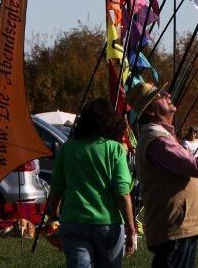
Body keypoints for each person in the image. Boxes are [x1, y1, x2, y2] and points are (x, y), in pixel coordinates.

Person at [128, 81, 198, 267]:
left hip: (179, 226)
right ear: (151, 111)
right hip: (175, 227)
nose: (168, 96)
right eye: (160, 96)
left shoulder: (162, 136)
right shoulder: (158, 141)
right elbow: (197, 168)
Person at [46, 98, 136, 268]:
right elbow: (122, 192)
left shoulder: (68, 148)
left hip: (73, 222)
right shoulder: (115, 149)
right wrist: (131, 228)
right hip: (108, 223)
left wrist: (53, 216)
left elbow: (56, 186)